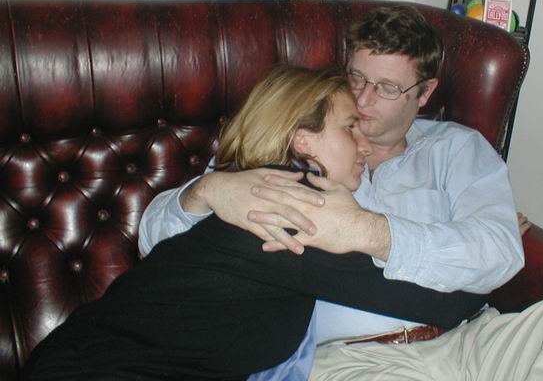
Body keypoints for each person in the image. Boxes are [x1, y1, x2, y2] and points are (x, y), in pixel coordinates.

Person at [22, 66, 487, 381]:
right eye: (349, 127)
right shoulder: (287, 210)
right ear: (302, 140)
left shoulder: (266, 192)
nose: (364, 146)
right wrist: (489, 265)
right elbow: (438, 305)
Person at [139, 6, 525, 378]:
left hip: (476, 339)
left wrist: (369, 232)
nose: (363, 99)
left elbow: (499, 250)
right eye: (356, 78)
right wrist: (205, 190)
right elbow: (155, 244)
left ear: (425, 93)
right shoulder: (294, 144)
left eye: (387, 87)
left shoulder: (458, 148)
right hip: (357, 359)